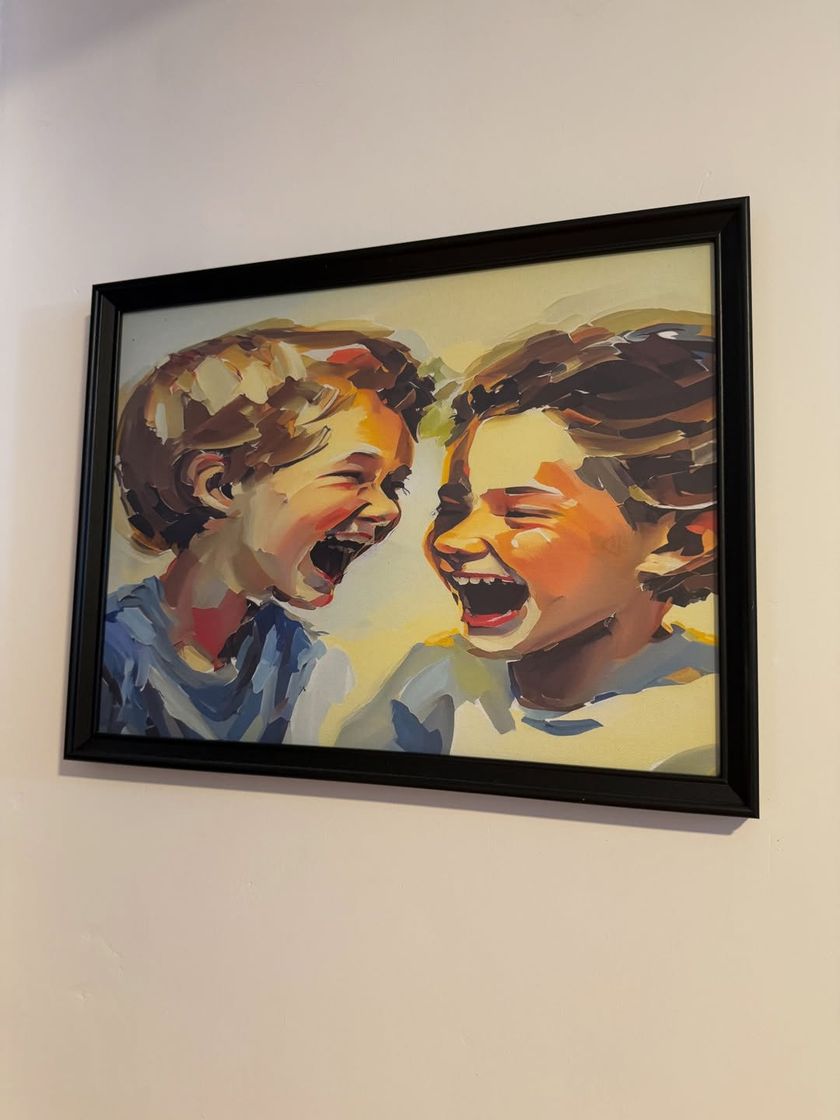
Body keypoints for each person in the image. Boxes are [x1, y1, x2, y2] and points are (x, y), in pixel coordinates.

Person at [336, 311, 719, 774]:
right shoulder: (434, 681)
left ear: (681, 544)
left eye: (520, 513)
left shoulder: (707, 723)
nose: (453, 539)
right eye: (452, 508)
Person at [100, 320, 434, 742]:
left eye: (393, 485)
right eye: (353, 475)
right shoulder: (110, 655)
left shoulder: (306, 664)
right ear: (220, 487)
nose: (388, 510)